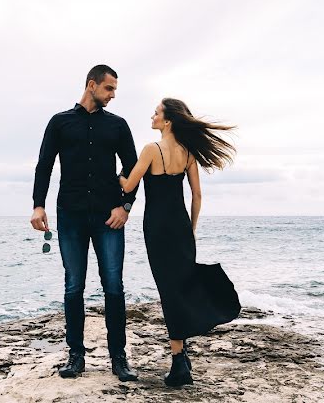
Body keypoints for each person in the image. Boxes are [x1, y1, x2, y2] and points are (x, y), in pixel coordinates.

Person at [118, 98, 241, 387]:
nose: (152, 115)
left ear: (167, 120)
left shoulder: (151, 149)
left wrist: (116, 176)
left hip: (158, 229)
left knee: (169, 291)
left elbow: (128, 186)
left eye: (156, 112)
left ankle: (178, 362)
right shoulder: (187, 153)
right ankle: (182, 355)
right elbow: (197, 196)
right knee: (180, 287)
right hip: (182, 227)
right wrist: (192, 229)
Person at [30, 64, 140, 381]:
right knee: (73, 286)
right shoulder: (60, 123)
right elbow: (44, 166)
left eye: (115, 90)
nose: (113, 95)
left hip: (109, 217)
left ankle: (119, 359)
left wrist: (126, 207)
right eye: (109, 89)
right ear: (92, 85)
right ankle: (75, 356)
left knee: (114, 287)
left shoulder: (118, 126)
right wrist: (38, 205)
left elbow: (133, 170)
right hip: (71, 216)